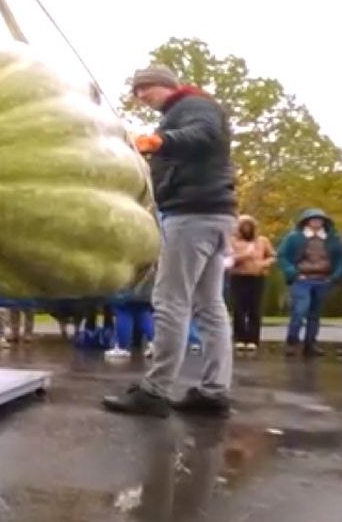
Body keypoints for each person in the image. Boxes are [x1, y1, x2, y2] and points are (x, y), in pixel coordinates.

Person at [103, 66, 236, 418]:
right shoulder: (185, 110)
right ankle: (214, 390)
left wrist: (161, 141)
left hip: (192, 214)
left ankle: (156, 390)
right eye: (136, 91)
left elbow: (205, 134)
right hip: (215, 213)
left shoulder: (193, 105)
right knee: (209, 304)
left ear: (166, 85)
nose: (140, 96)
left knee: (169, 300)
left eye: (145, 88)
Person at [276, 208, 342, 358]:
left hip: (323, 280)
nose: (316, 222)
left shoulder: (332, 239)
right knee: (300, 310)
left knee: (315, 314)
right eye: (313, 219)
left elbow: (341, 260)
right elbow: (282, 256)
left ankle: (310, 343)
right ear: (306, 221)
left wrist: (334, 277)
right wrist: (293, 273)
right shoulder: (294, 237)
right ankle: (292, 342)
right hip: (302, 279)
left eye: (320, 219)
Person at [228, 215, 275, 352]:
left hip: (257, 277)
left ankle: (253, 339)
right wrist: (244, 256)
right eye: (244, 226)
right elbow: (228, 259)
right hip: (238, 276)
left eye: (249, 226)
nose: (247, 228)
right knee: (239, 308)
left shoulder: (262, 241)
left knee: (255, 308)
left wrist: (264, 264)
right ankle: (239, 338)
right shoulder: (232, 241)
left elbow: (272, 256)